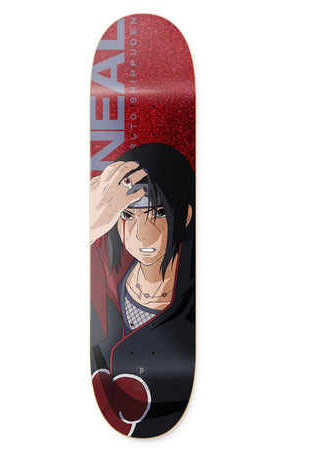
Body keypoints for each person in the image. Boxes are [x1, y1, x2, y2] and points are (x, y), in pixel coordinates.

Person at [90, 143, 195, 437]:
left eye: (159, 213)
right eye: (127, 216)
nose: (143, 235)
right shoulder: (105, 273)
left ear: (185, 216)